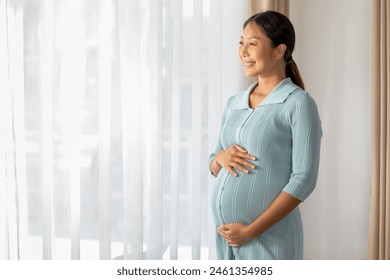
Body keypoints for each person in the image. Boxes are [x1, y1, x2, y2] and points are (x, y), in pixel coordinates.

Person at [208, 11, 322, 260]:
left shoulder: (298, 103)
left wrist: (250, 231)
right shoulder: (234, 103)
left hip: (270, 242)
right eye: (241, 43)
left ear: (279, 50)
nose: (243, 51)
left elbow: (304, 179)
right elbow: (213, 164)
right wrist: (221, 157)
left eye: (252, 43)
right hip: (226, 242)